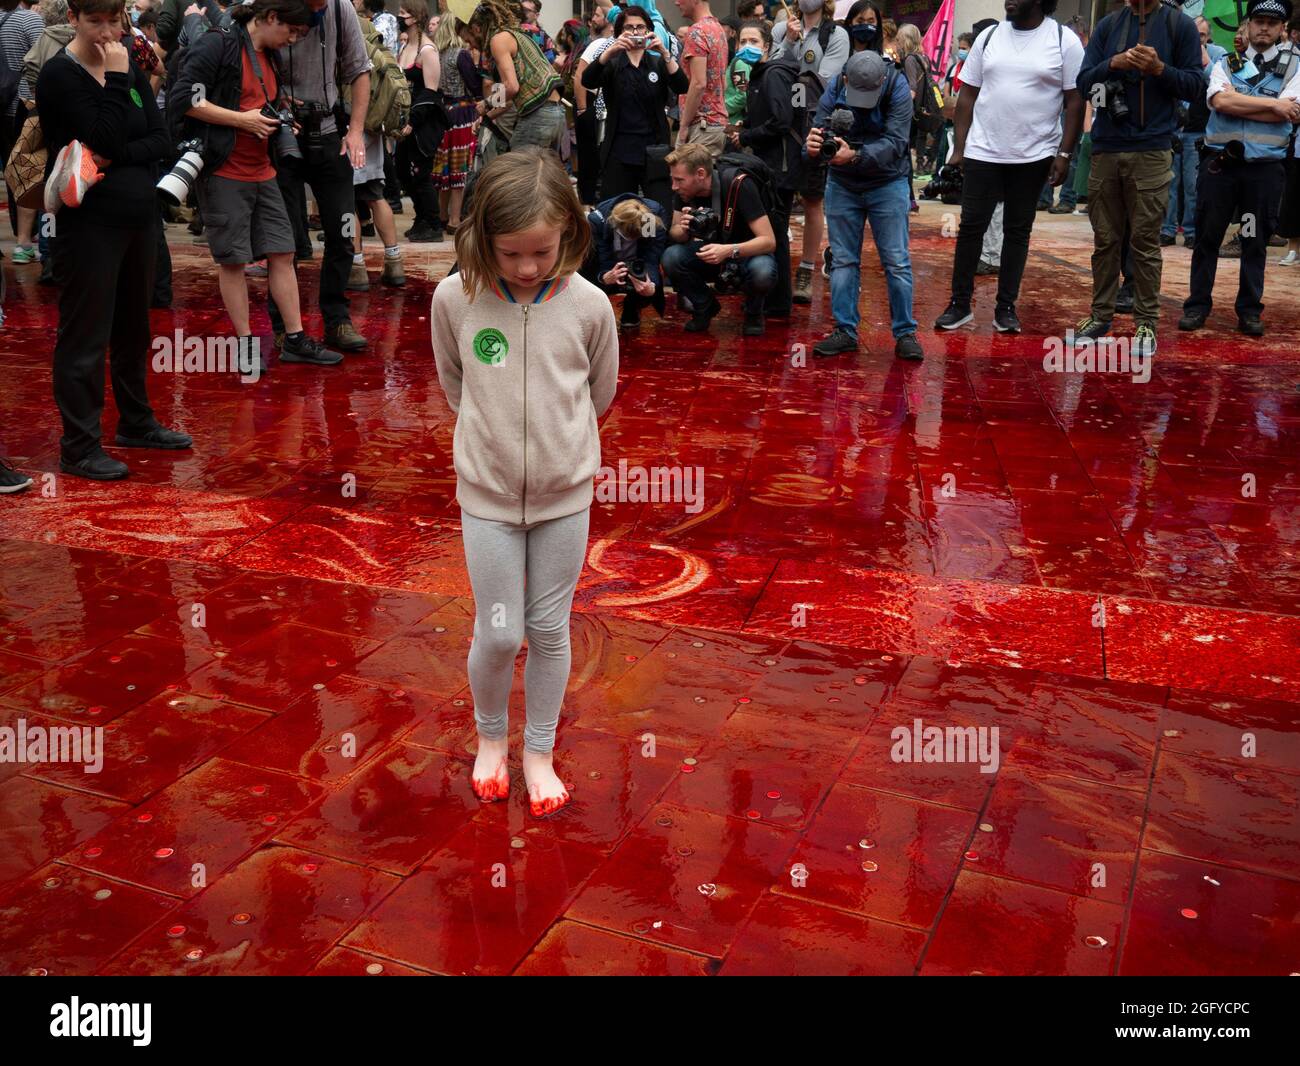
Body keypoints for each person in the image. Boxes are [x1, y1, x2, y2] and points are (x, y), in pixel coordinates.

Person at [429, 148, 619, 820]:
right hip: (487, 496)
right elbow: (456, 384)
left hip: (565, 496)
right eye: (511, 253)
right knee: (501, 630)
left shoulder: (592, 306)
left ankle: (538, 750)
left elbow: (599, 393)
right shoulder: (455, 297)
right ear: (482, 239)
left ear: (569, 231)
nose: (528, 266)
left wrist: (558, 452)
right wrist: (496, 445)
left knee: (550, 625)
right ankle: (490, 738)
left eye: (542, 250)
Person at [38, 0, 191, 481]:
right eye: (94, 20)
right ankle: (79, 445)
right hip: (88, 222)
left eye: (114, 20)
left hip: (138, 214)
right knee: (85, 333)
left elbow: (160, 140)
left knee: (133, 327)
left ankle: (136, 420)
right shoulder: (60, 75)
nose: (107, 31)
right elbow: (99, 133)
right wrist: (120, 80)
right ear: (73, 18)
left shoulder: (128, 65)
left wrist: (113, 156)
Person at [173, 0, 344, 364]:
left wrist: (281, 112)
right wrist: (243, 120)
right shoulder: (218, 44)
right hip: (224, 169)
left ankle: (295, 339)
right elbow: (184, 100)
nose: (293, 41)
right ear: (270, 18)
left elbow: (256, 99)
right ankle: (246, 346)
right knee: (233, 261)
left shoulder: (270, 55)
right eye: (291, 32)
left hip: (264, 168)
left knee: (283, 252)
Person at [935, 0, 1085, 335]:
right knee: (972, 227)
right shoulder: (989, 36)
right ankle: (959, 304)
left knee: (1018, 230)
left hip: (1035, 154)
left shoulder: (1063, 40)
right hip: (983, 151)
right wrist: (959, 149)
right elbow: (967, 95)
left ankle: (1005, 307)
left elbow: (1075, 100)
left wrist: (1064, 155)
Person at [1074, 0, 1204, 357]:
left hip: (1153, 147)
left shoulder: (1180, 26)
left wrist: (1160, 68)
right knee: (1105, 239)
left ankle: (1146, 322)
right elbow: (1083, 83)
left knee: (1145, 242)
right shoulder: (1108, 26)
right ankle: (1099, 316)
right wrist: (1112, 64)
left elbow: (1196, 87)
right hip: (1106, 145)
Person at [1179, 0, 1300, 336]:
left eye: (1271, 24)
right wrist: (1274, 104)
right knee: (1207, 238)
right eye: (1258, 22)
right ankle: (1197, 305)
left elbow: (1292, 112)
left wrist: (1244, 103)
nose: (1263, 28)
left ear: (1282, 30)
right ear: (1246, 27)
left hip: (1262, 171)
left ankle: (1249, 310)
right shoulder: (1225, 63)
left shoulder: (1295, 67)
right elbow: (1219, 101)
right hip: (1221, 167)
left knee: (1254, 241)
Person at [266, 0, 372, 352]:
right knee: (285, 242)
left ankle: (337, 319)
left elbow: (360, 70)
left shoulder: (341, 11)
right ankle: (285, 326)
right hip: (280, 135)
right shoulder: (268, 7)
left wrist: (355, 131)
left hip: (328, 133)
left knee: (343, 230)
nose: (319, 7)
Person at [805, 49, 922, 360]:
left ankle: (906, 332)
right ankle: (845, 329)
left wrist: (855, 155)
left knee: (896, 261)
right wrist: (815, 143)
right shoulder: (835, 85)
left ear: (882, 81)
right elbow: (820, 124)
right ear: (845, 79)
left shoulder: (897, 86)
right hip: (843, 183)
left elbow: (897, 142)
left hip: (888, 182)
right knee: (843, 260)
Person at [773, 0, 850, 302]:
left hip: (814, 123)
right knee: (778, 198)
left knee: (812, 198)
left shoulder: (835, 36)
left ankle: (805, 268)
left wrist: (793, 56)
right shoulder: (781, 29)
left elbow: (823, 81)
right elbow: (770, 70)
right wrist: (789, 42)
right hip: (780, 125)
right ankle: (776, 263)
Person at [661, 141, 778, 335]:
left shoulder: (738, 184)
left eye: (679, 180)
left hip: (748, 253)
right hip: (712, 252)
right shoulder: (685, 192)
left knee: (763, 271)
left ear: (700, 174)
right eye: (672, 179)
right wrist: (684, 229)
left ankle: (753, 312)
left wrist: (728, 250)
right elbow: (674, 233)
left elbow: (768, 241)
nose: (674, 186)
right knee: (671, 257)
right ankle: (704, 306)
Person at [730, 16, 801, 316]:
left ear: (768, 47)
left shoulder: (772, 75)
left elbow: (781, 121)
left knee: (775, 235)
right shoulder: (758, 75)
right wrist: (745, 124)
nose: (747, 47)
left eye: (754, 42)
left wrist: (746, 135)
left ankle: (776, 302)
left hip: (779, 169)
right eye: (743, 42)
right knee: (773, 232)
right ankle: (771, 298)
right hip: (768, 165)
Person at [583, 4, 687, 207]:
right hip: (619, 150)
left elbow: (682, 86)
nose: (635, 32)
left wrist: (665, 53)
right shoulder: (613, 64)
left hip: (654, 150)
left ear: (648, 31)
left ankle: (653, 239)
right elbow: (588, 81)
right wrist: (609, 52)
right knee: (616, 211)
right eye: (629, 28)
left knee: (658, 208)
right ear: (620, 32)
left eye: (640, 27)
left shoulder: (657, 63)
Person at [461, 0, 564, 157]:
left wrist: (486, 103)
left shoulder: (498, 40)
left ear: (476, 28)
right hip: (554, 112)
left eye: (468, 40)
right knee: (543, 174)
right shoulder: (511, 34)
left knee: (518, 173)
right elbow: (506, 98)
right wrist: (486, 118)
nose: (470, 47)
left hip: (539, 114)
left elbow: (511, 87)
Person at [1161, 15, 1226, 248]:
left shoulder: (1218, 54)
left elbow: (1225, 87)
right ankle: (1167, 230)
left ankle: (1190, 231)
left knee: (1192, 185)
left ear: (1208, 36)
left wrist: (1206, 63)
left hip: (1197, 130)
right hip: (1172, 127)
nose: (1197, 38)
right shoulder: (1174, 49)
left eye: (1201, 34)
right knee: (1169, 184)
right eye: (1194, 33)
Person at [2, 0, 46, 266]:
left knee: (9, 171)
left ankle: (21, 239)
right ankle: (25, 241)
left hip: (1, 106)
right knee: (29, 170)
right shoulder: (30, 20)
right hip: (23, 105)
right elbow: (43, 61)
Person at [584, 192, 669, 329]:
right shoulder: (599, 221)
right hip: (608, 262)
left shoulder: (650, 218)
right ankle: (594, 313)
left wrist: (650, 285)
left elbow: (651, 258)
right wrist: (604, 277)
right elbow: (601, 258)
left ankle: (632, 305)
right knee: (585, 266)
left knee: (649, 284)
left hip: (637, 262)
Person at [394, 0, 442, 241]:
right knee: (401, 170)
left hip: (423, 123)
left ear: (415, 17)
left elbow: (430, 92)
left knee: (421, 174)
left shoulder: (427, 50)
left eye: (403, 13)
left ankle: (433, 225)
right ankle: (421, 216)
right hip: (405, 121)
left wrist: (413, 121)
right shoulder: (405, 47)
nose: (399, 17)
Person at [429, 11, 476, 232]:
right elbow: (475, 86)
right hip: (462, 113)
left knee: (444, 168)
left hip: (443, 112)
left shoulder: (436, 53)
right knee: (460, 168)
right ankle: (455, 220)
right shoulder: (461, 54)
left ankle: (441, 214)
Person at [673, 0, 728, 158]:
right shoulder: (717, 28)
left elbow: (698, 84)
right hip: (715, 122)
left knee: (691, 180)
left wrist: (683, 126)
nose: (676, 2)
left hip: (702, 124)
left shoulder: (697, 31)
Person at [573, 0, 613, 204]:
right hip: (591, 104)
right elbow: (580, 76)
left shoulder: (603, 43)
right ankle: (589, 202)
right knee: (590, 158)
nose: (592, 20)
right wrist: (582, 110)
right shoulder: (598, 45)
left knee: (596, 158)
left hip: (600, 106)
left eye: (597, 16)